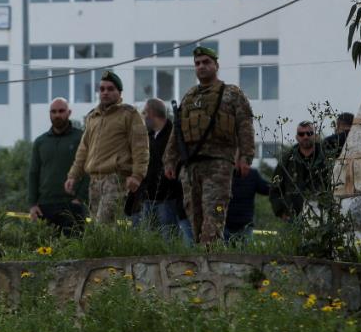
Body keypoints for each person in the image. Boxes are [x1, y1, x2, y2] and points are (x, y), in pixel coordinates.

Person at [164, 46, 255, 245]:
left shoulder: (232, 93)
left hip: (218, 165)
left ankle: (212, 258)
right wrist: (170, 160)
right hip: (190, 166)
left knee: (214, 217)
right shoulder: (189, 96)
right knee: (195, 221)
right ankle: (202, 258)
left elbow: (245, 126)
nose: (201, 66)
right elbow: (177, 130)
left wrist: (246, 157)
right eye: (197, 63)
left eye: (206, 62)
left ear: (216, 65)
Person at [64, 71, 148, 225]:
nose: (105, 92)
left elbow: (141, 147)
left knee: (105, 224)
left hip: (115, 179)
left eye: (110, 89)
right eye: (102, 89)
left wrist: (137, 175)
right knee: (99, 228)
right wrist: (73, 175)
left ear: (119, 92)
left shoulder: (129, 114)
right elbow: (84, 149)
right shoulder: (93, 117)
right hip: (95, 180)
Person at [27, 97, 87, 235]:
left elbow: (88, 170)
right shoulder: (40, 142)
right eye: (53, 112)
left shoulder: (81, 138)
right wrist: (32, 204)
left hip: (72, 205)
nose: (57, 115)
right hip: (44, 206)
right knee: (44, 246)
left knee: (74, 246)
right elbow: (33, 173)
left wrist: (80, 198)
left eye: (61, 111)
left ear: (69, 112)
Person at [130, 98, 186, 239]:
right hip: (147, 199)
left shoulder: (174, 135)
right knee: (147, 240)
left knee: (168, 239)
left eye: (144, 113)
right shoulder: (148, 137)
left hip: (168, 200)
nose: (143, 117)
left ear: (152, 113)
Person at [270, 121, 332, 220]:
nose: (305, 136)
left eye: (309, 133)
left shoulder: (327, 157)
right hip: (294, 217)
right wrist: (281, 212)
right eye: (301, 134)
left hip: (323, 215)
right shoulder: (287, 160)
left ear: (315, 136)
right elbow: (275, 188)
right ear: (297, 137)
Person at [224, 165, 271, 242]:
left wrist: (280, 187)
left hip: (245, 225)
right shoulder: (225, 174)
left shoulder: (253, 175)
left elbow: (266, 188)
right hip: (227, 225)